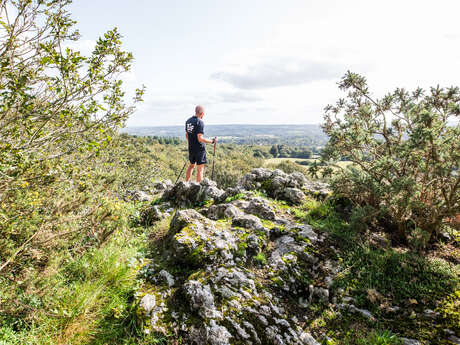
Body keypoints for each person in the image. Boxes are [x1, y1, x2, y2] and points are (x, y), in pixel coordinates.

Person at [185, 105, 217, 182]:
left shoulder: (188, 121)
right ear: (202, 113)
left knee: (191, 166)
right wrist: (212, 141)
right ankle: (199, 187)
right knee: (200, 169)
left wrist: (192, 142)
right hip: (199, 149)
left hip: (191, 147)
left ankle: (186, 183)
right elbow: (200, 138)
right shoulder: (200, 122)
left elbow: (187, 135)